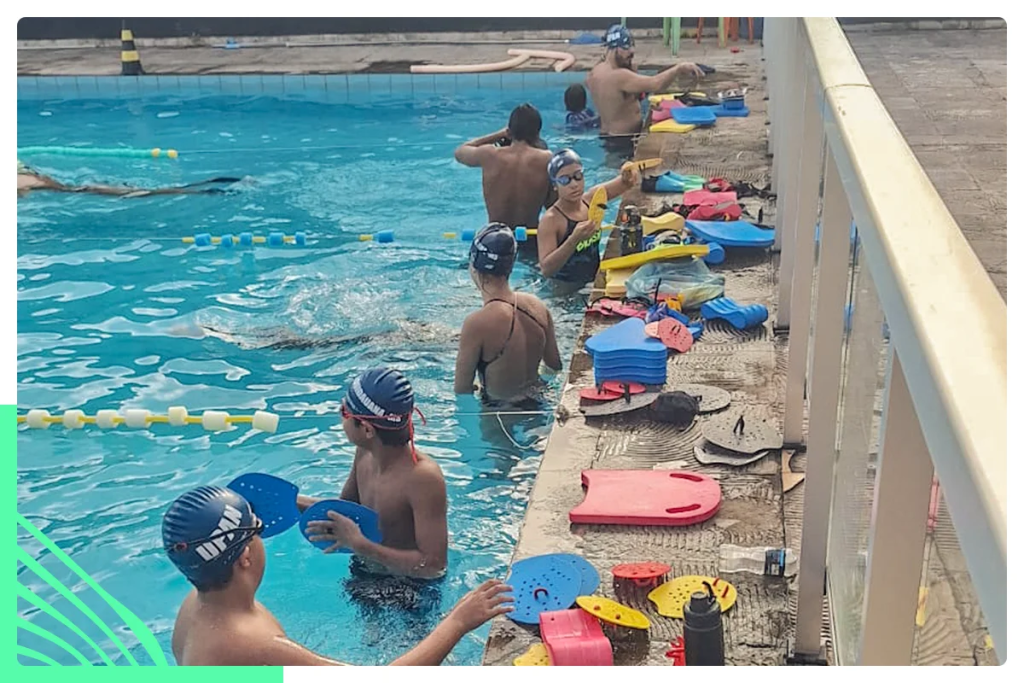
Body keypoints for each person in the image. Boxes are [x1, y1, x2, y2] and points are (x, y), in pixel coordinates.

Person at [164, 485, 513, 666]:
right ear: (244, 557)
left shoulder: (193, 608)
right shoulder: (253, 644)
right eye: (256, 530)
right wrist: (457, 621)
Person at [297, 369, 448, 582]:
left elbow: (434, 566)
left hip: (410, 588)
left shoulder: (423, 478)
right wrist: (290, 501)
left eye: (344, 411)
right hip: (363, 570)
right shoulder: (365, 452)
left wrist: (361, 545)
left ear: (367, 429)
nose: (340, 415)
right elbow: (344, 512)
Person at [455, 223, 561, 403]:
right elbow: (554, 366)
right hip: (538, 404)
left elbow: (462, 390)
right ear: (511, 266)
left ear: (475, 268)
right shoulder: (537, 305)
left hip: (500, 414)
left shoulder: (477, 323)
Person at [586, 24, 704, 156]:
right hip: (625, 140)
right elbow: (656, 84)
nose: (632, 51)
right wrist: (678, 69)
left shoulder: (594, 72)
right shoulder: (619, 76)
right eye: (627, 48)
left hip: (608, 137)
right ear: (614, 49)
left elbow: (617, 101)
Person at [536, 149, 639, 284]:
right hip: (565, 290)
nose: (574, 184)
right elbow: (546, 269)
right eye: (565, 180)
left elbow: (627, 182)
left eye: (578, 176)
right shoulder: (551, 220)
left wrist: (628, 170)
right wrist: (573, 240)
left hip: (593, 280)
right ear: (555, 185)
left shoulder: (593, 199)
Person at [453, 104, 554, 235]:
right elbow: (556, 207)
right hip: (529, 237)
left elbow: (460, 151)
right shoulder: (547, 159)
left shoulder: (489, 155)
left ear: (510, 131)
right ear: (538, 132)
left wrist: (499, 134)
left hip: (494, 238)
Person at [17, 159, 240, 198]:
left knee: (138, 194)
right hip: (77, 187)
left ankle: (204, 190)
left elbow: (23, 194)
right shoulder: (21, 172)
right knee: (142, 191)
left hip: (83, 191)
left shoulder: (19, 180)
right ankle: (206, 186)